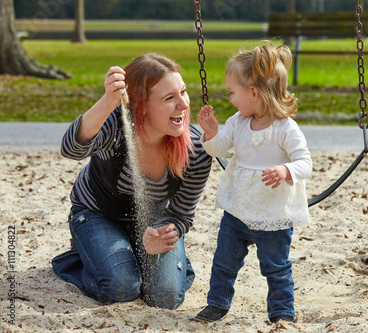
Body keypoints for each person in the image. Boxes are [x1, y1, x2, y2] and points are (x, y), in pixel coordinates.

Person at [51, 53, 212, 309]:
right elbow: (70, 149)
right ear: (143, 106)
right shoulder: (117, 127)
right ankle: (83, 256)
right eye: (170, 98)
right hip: (98, 215)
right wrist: (107, 102)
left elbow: (182, 214)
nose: (183, 105)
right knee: (121, 287)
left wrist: (164, 233)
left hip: (152, 222)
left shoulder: (197, 151)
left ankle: (131, 255)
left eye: (183, 92)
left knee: (166, 297)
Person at [194, 42, 312, 324]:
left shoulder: (285, 128)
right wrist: (211, 134)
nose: (231, 99)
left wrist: (286, 170)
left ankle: (282, 312)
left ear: (254, 93)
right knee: (224, 260)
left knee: (275, 266)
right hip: (238, 208)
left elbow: (305, 162)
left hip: (272, 213)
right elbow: (219, 149)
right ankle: (217, 304)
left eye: (233, 92)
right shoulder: (238, 122)